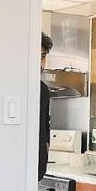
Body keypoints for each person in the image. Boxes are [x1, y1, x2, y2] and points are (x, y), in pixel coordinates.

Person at [39, 32, 53, 180]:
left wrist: (46, 146)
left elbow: (45, 123)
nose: (40, 64)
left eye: (42, 57)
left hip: (37, 171)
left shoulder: (43, 90)